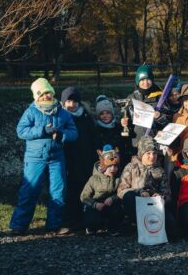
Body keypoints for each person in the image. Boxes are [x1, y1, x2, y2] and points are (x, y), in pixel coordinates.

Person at [10, 78, 78, 236]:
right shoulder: (31, 111)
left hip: (57, 158)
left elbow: (74, 133)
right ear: (37, 96)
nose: (46, 96)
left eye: (48, 92)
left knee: (58, 191)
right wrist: (41, 130)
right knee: (29, 191)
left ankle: (54, 226)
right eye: (42, 94)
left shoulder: (63, 112)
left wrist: (62, 135)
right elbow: (21, 131)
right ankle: (19, 226)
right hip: (35, 158)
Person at [117, 136, 174, 237]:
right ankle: (136, 224)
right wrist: (139, 192)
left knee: (171, 226)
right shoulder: (130, 167)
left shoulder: (160, 170)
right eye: (148, 153)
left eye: (154, 153)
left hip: (154, 207)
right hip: (137, 205)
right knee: (128, 196)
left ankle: (152, 228)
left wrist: (160, 196)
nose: (152, 156)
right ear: (141, 153)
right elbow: (121, 191)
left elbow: (167, 194)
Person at [60, 86, 96, 233]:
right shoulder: (61, 117)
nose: (72, 104)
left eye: (75, 101)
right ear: (63, 102)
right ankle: (70, 220)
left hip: (86, 157)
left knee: (85, 188)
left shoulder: (86, 117)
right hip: (68, 158)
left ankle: (85, 219)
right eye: (69, 101)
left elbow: (93, 137)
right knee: (70, 189)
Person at [80, 145, 123, 236]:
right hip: (96, 204)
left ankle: (113, 228)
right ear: (103, 166)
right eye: (109, 166)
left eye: (115, 166)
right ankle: (91, 227)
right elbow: (84, 196)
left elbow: (122, 191)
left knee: (117, 210)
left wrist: (113, 198)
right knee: (92, 218)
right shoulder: (94, 179)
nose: (113, 169)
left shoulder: (118, 179)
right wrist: (95, 204)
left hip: (110, 203)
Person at [122, 65, 169, 145]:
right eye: (142, 80)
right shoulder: (132, 97)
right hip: (137, 140)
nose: (146, 83)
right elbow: (126, 115)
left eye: (148, 79)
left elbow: (168, 119)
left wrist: (159, 116)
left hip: (155, 140)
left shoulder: (160, 97)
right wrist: (124, 122)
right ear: (137, 81)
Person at [93, 96, 135, 167]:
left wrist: (127, 127)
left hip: (119, 162)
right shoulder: (95, 130)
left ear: (112, 114)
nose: (105, 116)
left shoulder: (118, 126)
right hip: (103, 163)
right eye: (102, 114)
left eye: (108, 113)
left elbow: (127, 141)